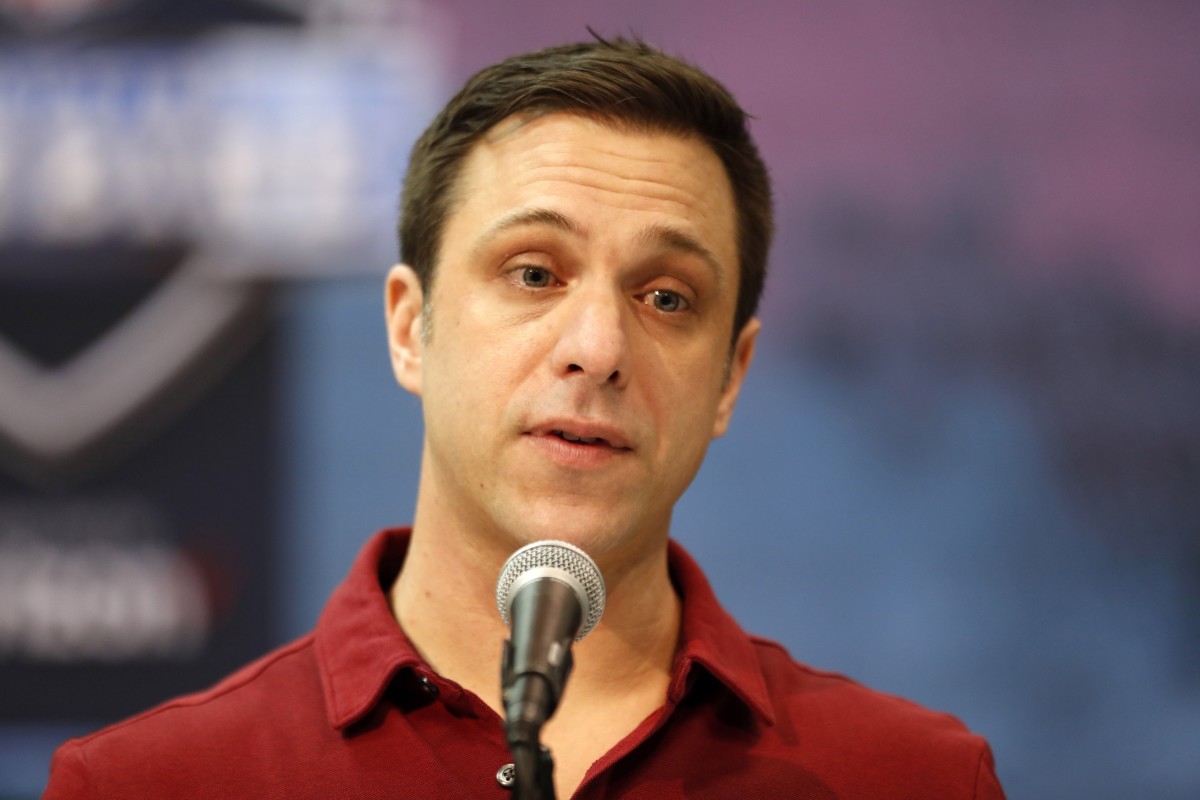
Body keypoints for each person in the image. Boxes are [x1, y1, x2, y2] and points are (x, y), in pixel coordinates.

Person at [44, 36, 1005, 799]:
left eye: (668, 297)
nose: (599, 346)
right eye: (535, 273)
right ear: (411, 328)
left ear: (729, 379)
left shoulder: (913, 779)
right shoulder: (148, 785)